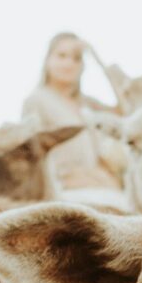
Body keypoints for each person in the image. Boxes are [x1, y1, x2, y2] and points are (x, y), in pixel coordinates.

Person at [17, 31, 121, 195]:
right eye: (62, 55)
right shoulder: (37, 100)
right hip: (63, 191)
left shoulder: (87, 104)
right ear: (47, 60)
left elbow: (125, 109)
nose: (68, 63)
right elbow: (30, 154)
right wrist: (63, 178)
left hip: (99, 186)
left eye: (76, 58)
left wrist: (96, 57)